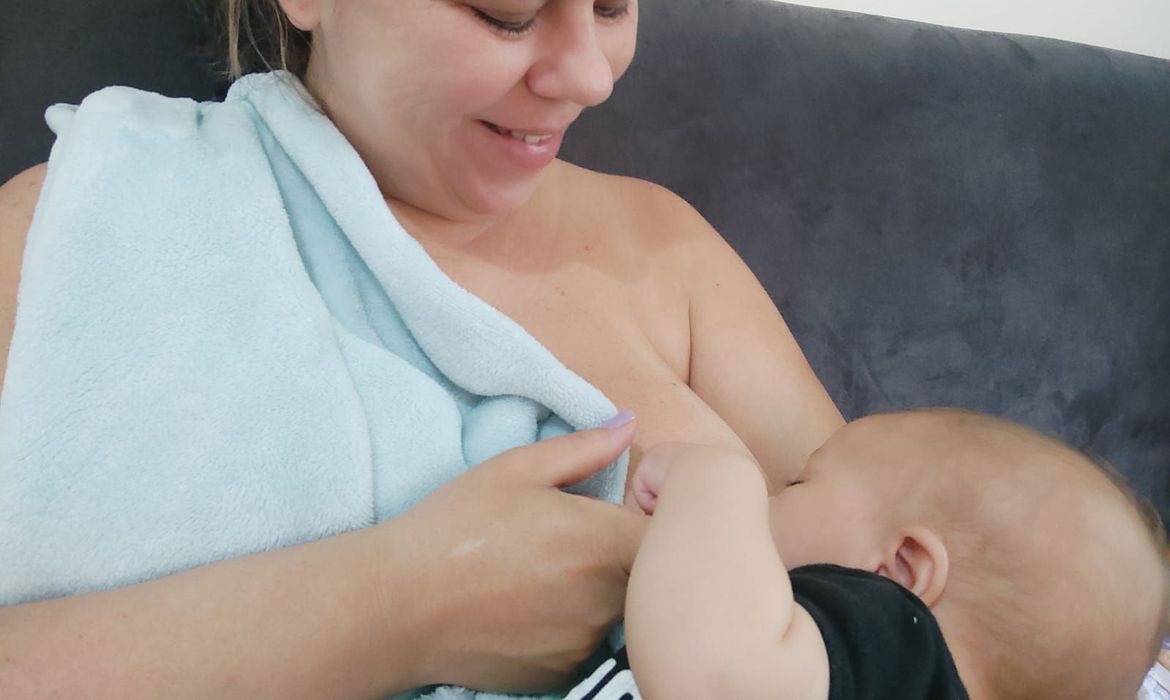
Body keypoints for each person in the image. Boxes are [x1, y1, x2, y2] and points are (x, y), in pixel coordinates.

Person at [0, 1, 843, 697]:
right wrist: (397, 607)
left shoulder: (666, 250)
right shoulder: (71, 232)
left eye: (614, 6)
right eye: (508, 13)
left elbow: (905, 567)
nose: (591, 76)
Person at [567, 408, 1169, 699]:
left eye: (798, 484)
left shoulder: (902, 649)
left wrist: (714, 482)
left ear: (902, 572)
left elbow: (717, 681)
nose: (772, 494)